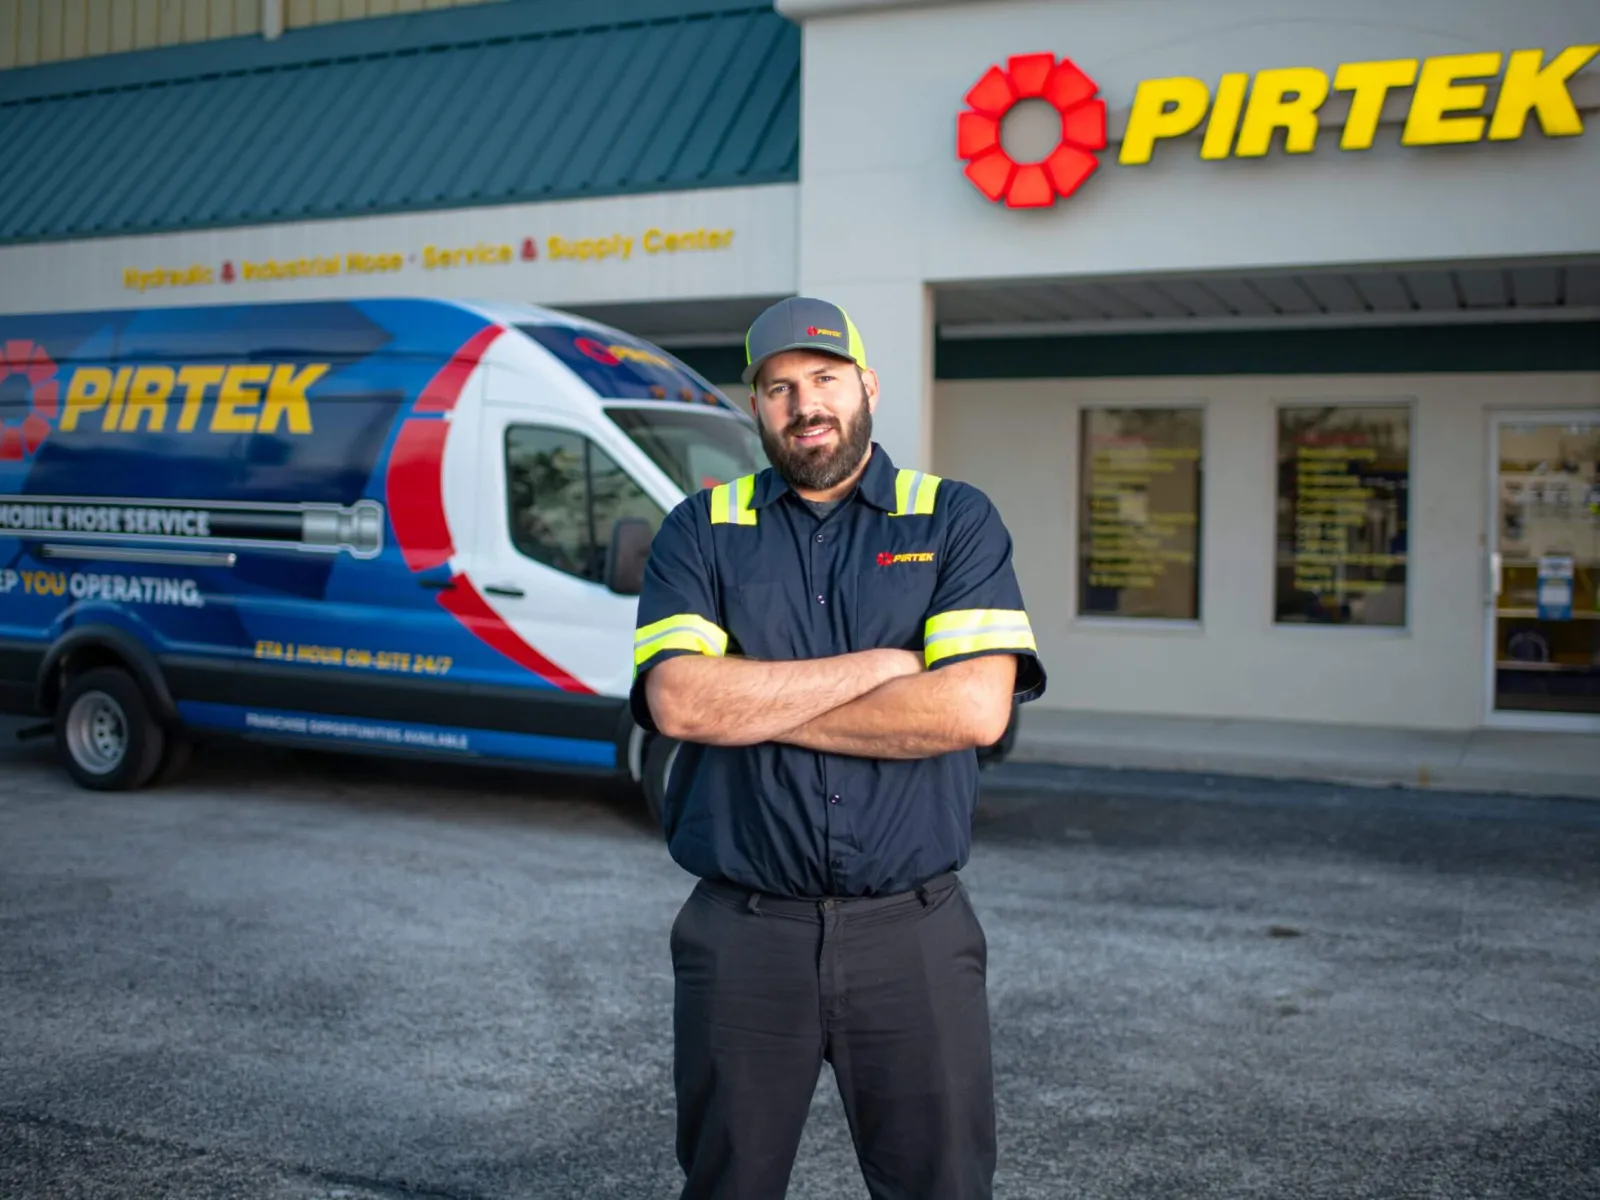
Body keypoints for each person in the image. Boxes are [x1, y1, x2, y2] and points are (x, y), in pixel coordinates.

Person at [630, 296, 1047, 1200]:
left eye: (824, 379)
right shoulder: (699, 528)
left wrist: (752, 696)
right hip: (743, 937)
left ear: (867, 387)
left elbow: (974, 710)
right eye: (778, 387)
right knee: (726, 1186)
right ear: (756, 408)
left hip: (914, 939)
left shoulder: (953, 520)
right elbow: (679, 702)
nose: (803, 403)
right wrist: (882, 667)